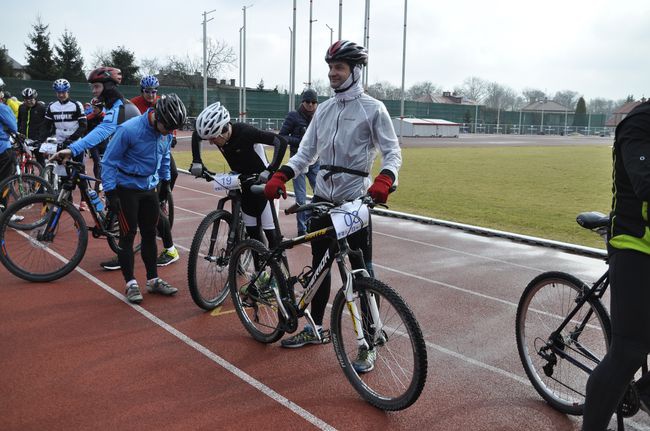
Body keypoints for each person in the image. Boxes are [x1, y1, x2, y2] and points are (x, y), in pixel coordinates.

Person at [263, 40, 401, 372]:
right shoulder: (323, 110)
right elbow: (305, 154)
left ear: (355, 70)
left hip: (355, 202)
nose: (331, 74)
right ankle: (315, 327)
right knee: (320, 266)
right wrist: (282, 174)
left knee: (361, 270)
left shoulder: (373, 109)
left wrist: (385, 179)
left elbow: (393, 152)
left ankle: (369, 340)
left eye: (338, 68)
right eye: (330, 67)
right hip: (322, 200)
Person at [582, 99, 650, 429]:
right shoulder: (639, 123)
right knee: (628, 352)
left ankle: (644, 391)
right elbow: (645, 183)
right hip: (634, 244)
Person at [99, 93, 187, 304]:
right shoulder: (129, 130)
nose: (168, 133)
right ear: (157, 116)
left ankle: (153, 280)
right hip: (126, 188)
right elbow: (109, 162)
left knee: (150, 234)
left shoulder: (165, 132)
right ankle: (130, 283)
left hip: (150, 188)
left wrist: (165, 182)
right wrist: (111, 192)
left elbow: (165, 156)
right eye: (167, 127)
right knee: (128, 235)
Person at [189, 101, 287, 250]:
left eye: (213, 138)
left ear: (223, 129)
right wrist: (197, 161)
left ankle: (278, 271)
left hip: (262, 186)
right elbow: (197, 135)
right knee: (253, 235)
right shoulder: (216, 134)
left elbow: (281, 141)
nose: (210, 143)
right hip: (243, 184)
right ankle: (261, 273)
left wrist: (270, 170)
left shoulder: (246, 132)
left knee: (270, 234)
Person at [279, 88, 320, 236]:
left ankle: (312, 221)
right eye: (308, 101)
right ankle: (302, 230)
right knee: (301, 199)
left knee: (322, 194)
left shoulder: (319, 116)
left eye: (314, 102)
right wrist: (301, 141)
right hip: (298, 162)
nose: (311, 105)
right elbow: (282, 136)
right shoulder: (293, 116)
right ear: (303, 102)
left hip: (315, 161)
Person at [0, 78, 20, 214]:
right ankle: (4, 212)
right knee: (5, 180)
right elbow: (14, 126)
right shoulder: (2, 107)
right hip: (3, 148)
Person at [17, 88, 49, 167]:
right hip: (23, 139)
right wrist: (18, 132)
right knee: (23, 160)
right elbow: (19, 121)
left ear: (35, 98)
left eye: (31, 99)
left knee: (40, 160)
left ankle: (43, 177)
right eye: (26, 99)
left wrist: (43, 137)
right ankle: (26, 176)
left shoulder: (41, 108)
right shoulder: (21, 107)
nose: (28, 101)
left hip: (37, 139)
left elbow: (46, 124)